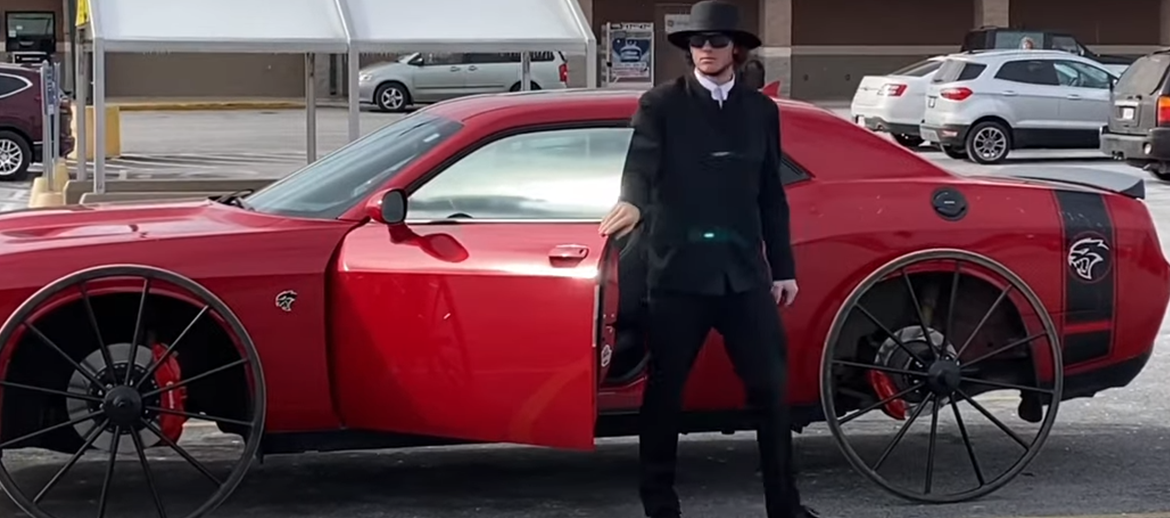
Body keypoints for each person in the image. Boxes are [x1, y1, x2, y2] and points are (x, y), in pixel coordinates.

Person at [598, 1, 818, 517]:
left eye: (717, 41)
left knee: (771, 390)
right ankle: (659, 504)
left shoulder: (761, 111)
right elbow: (641, 164)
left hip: (743, 276)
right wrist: (630, 199)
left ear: (735, 48)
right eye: (697, 42)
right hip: (677, 274)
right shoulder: (661, 104)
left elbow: (770, 195)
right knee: (665, 394)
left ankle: (784, 506)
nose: (706, 50)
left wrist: (783, 268)